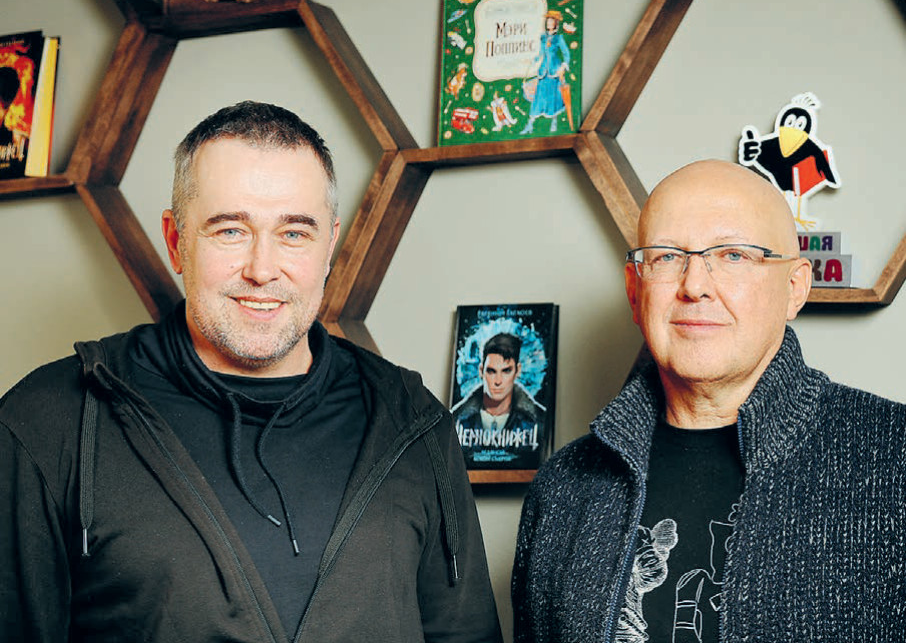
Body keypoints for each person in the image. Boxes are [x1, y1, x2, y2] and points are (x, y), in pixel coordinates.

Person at [0, 101, 502, 643]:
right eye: (230, 231)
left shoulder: (413, 420)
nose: (262, 270)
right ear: (176, 241)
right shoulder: (47, 422)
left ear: (329, 247)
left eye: (294, 234)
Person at [511, 159, 906, 642]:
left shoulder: (895, 457)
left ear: (795, 288)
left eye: (734, 255)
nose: (694, 286)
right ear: (635, 292)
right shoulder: (565, 486)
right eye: (666, 257)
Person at [452, 333, 544, 468]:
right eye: (491, 371)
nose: (498, 381)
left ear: (517, 371)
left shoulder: (539, 422)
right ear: (481, 371)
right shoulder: (455, 421)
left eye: (506, 371)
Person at [520, 10, 570, 135]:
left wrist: (563, 66)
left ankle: (554, 121)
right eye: (548, 22)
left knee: (553, 98)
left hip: (554, 71)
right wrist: (533, 60)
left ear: (555, 23)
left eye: (551, 22)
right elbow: (541, 53)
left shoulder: (559, 38)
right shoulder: (543, 37)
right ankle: (530, 124)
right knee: (538, 97)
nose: (549, 24)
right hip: (543, 71)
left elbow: (566, 54)